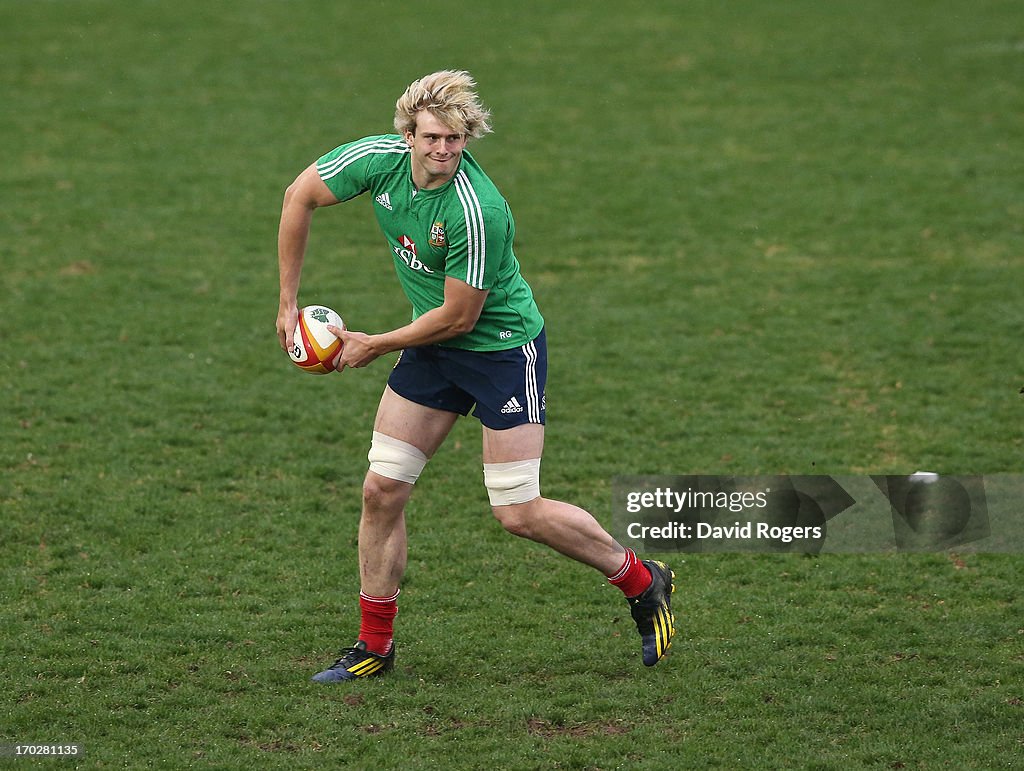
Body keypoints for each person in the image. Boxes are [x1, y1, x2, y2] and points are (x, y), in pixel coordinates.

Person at [276, 70, 675, 682]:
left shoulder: (478, 210)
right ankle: (374, 648)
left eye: (456, 139)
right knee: (381, 490)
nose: (443, 150)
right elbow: (298, 196)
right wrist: (287, 303)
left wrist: (375, 344)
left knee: (517, 511)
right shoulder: (376, 161)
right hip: (431, 343)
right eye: (433, 137)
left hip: (500, 351)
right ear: (408, 134)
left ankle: (642, 579)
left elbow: (460, 318)